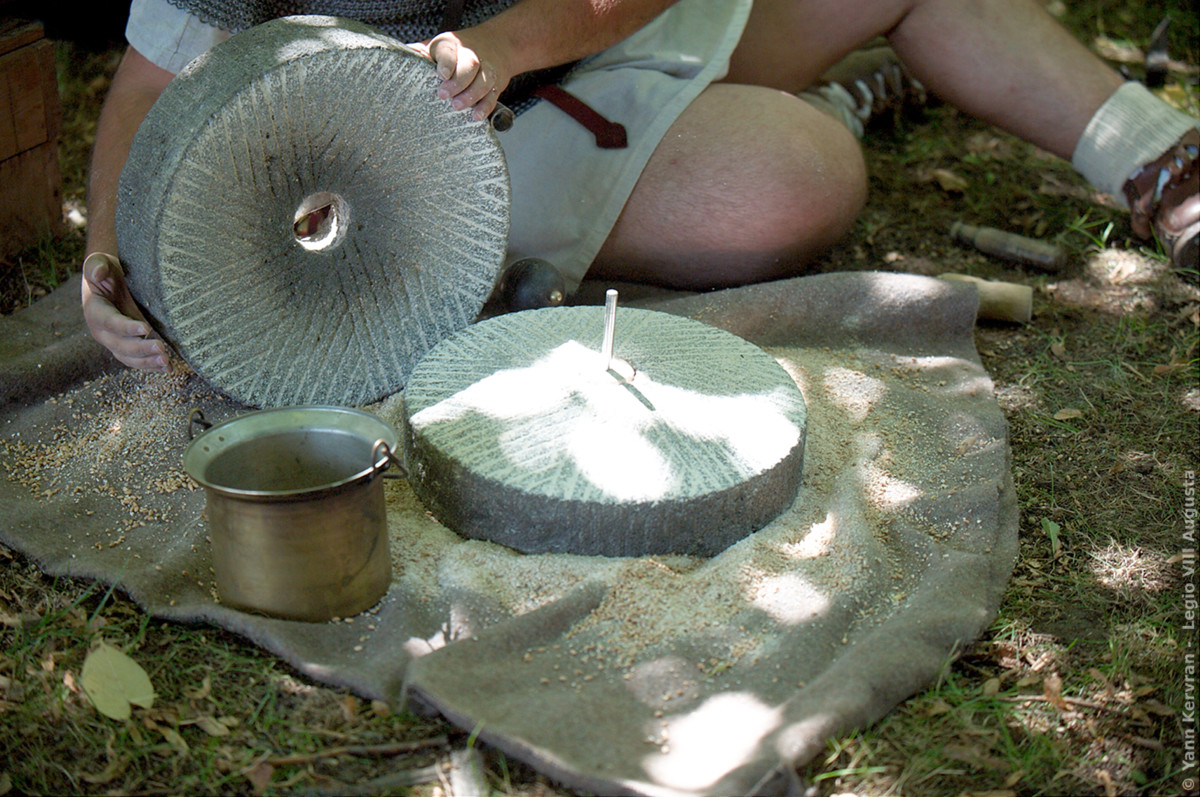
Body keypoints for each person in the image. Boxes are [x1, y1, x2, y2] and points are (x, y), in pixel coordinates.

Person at [82, 0, 1199, 372]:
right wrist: (109, 258)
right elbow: (147, 86)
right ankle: (838, 101)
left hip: (563, 36)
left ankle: (1157, 158)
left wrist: (510, 40)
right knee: (798, 175)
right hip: (419, 161)